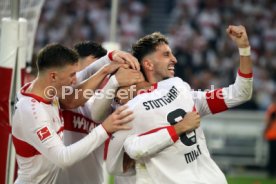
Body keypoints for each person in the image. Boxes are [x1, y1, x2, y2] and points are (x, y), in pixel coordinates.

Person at [105, 25, 253, 183]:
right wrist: (178, 129)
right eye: (166, 54)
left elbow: (115, 165)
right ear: (148, 64)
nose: (174, 59)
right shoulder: (176, 89)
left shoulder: (178, 89)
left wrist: (244, 48)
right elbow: (116, 164)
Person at [11, 43, 135, 184]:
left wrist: (108, 60)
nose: (75, 79)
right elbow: (63, 158)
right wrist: (104, 129)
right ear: (53, 76)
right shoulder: (32, 112)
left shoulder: (47, 90)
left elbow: (81, 82)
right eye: (72, 74)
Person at [57, 41, 143, 184]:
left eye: (104, 74)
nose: (96, 79)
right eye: (92, 72)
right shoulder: (58, 97)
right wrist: (108, 60)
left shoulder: (105, 104)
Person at [264, 92, 276, 178]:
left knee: (272, 155)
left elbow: (267, 121)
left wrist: (264, 131)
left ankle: (271, 172)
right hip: (272, 135)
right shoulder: (272, 108)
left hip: (272, 134)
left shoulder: (272, 108)